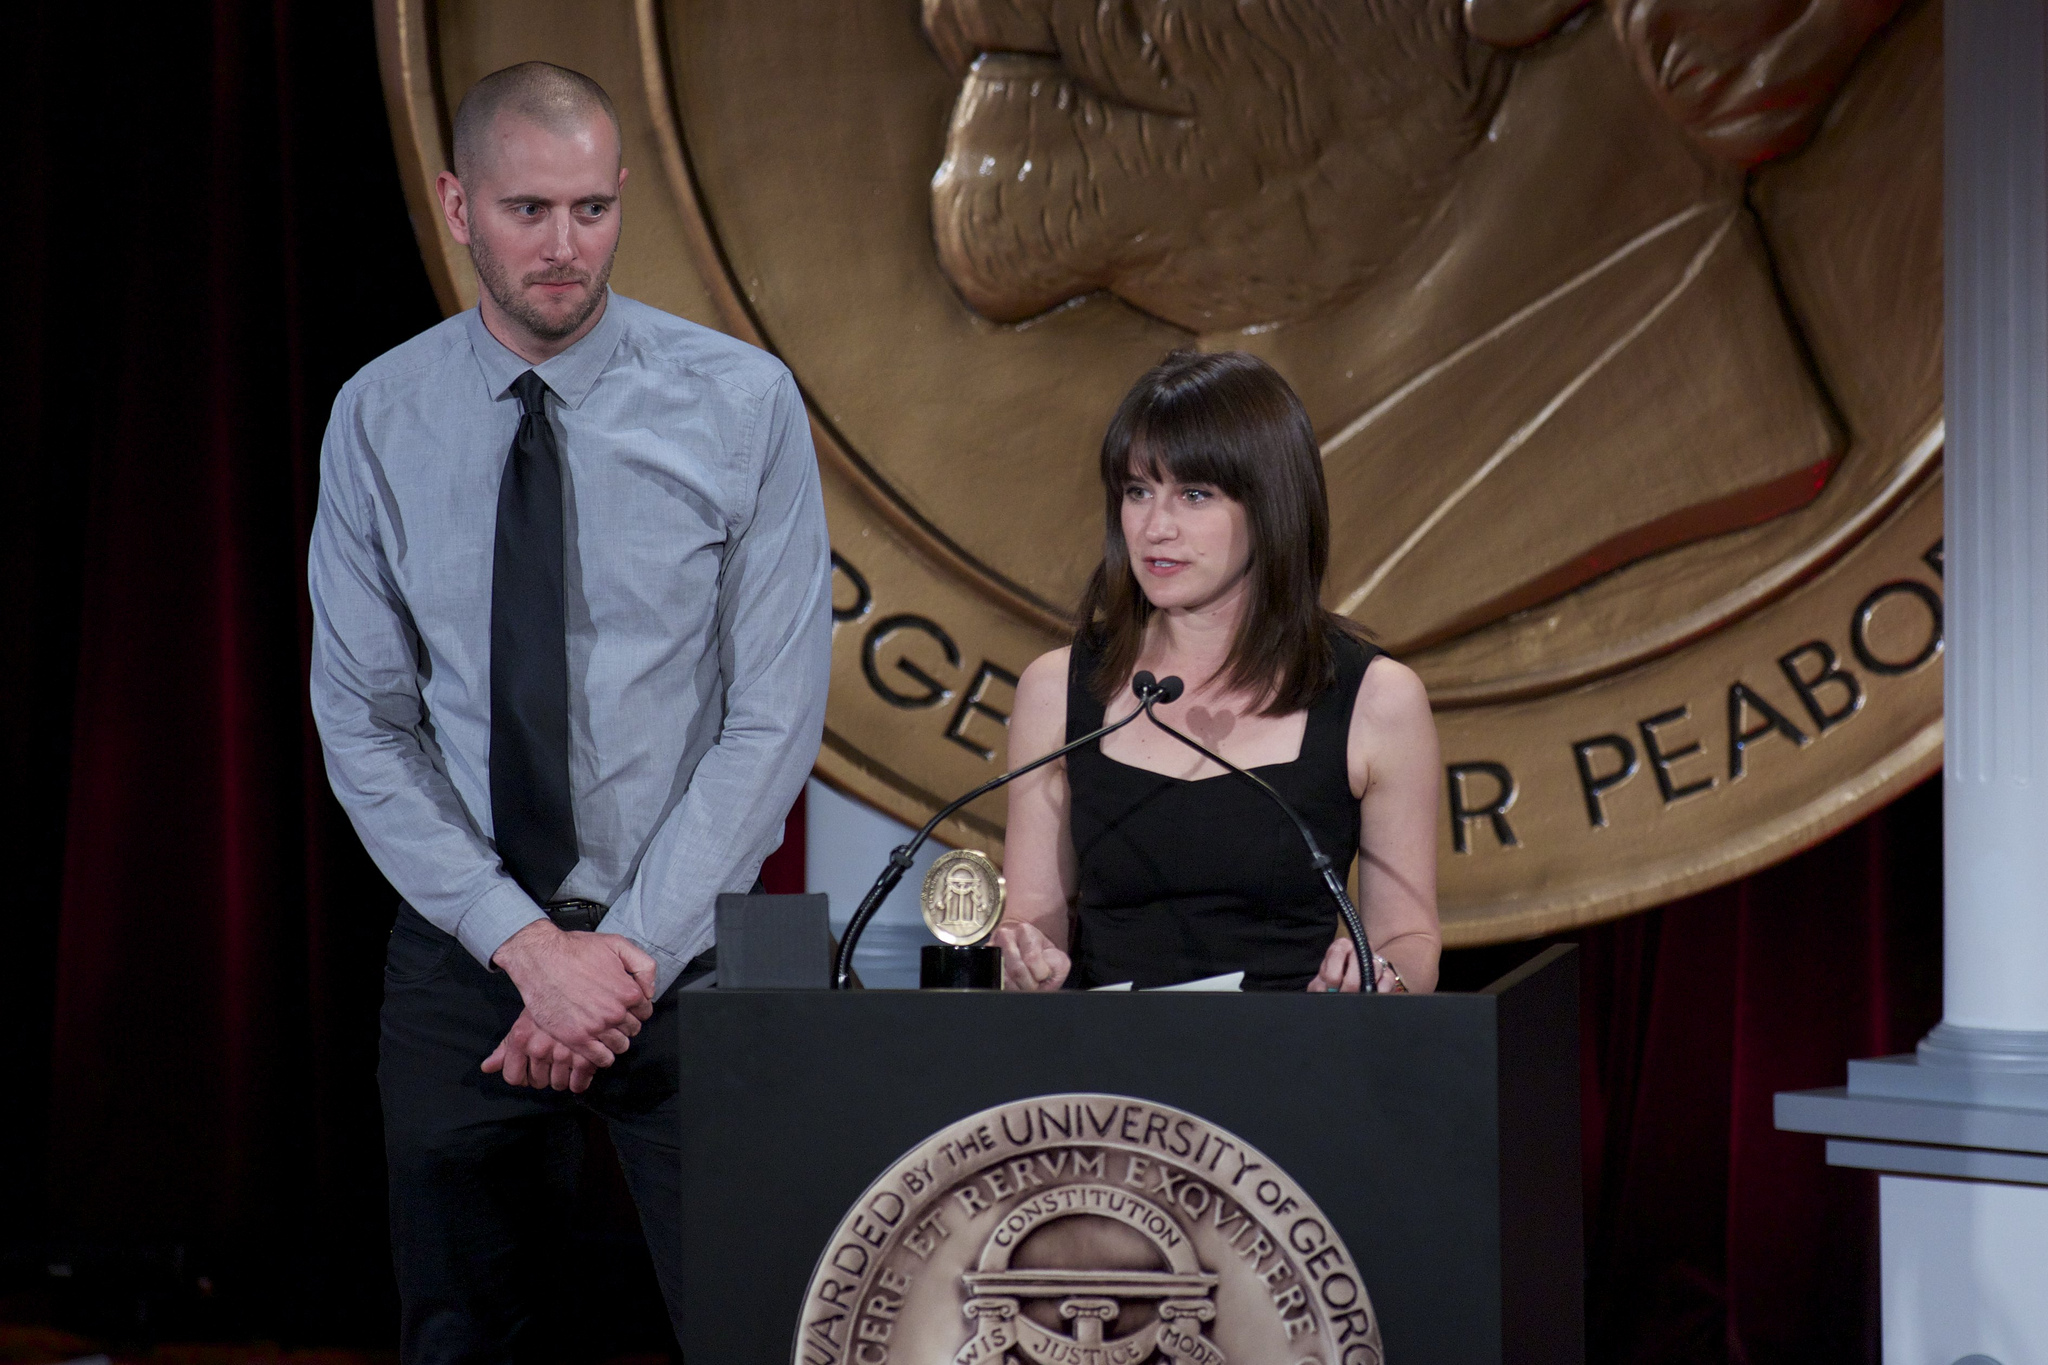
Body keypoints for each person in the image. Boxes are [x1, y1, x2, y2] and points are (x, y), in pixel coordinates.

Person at [307, 61, 830, 1360]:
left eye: (592, 209)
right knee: (462, 1335)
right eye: (528, 209)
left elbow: (771, 717)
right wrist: (529, 950)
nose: (563, 248)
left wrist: (627, 956)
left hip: (692, 949)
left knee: (770, 1323)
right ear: (454, 203)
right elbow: (365, 724)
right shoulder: (376, 417)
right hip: (467, 953)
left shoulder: (745, 401)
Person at [993, 351, 1441, 994]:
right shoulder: (1057, 689)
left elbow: (1410, 939)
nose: (1155, 527)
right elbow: (1034, 920)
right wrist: (1023, 961)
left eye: (1195, 494)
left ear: (1271, 506)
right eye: (1137, 491)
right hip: (1103, 1081)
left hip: (1291, 1068)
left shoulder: (1377, 700)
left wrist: (1380, 977)